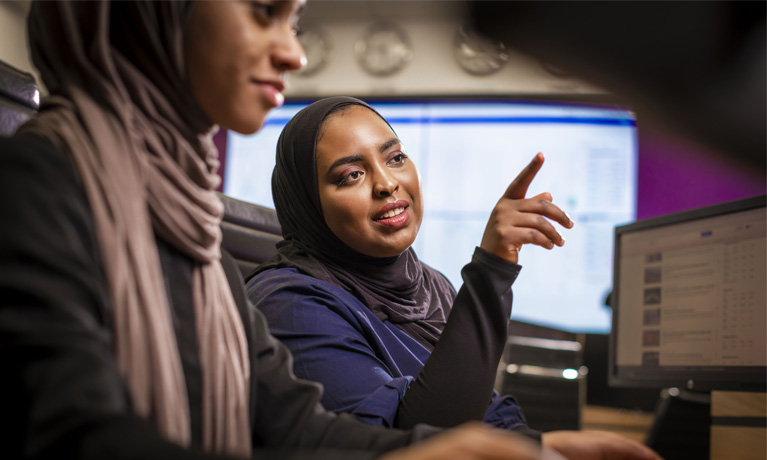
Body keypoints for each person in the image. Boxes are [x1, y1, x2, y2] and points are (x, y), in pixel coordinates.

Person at [0, 1, 567, 460]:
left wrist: (529, 449)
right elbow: (75, 437)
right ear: (156, 16)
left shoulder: (191, 229)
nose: (293, 52)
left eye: (292, 22)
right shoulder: (37, 182)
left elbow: (296, 426)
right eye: (262, 12)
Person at [246, 97, 662, 459]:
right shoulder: (291, 305)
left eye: (395, 157)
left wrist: (543, 448)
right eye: (351, 175)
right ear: (307, 203)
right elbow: (419, 447)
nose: (388, 183)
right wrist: (491, 272)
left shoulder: (430, 286)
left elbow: (484, 409)